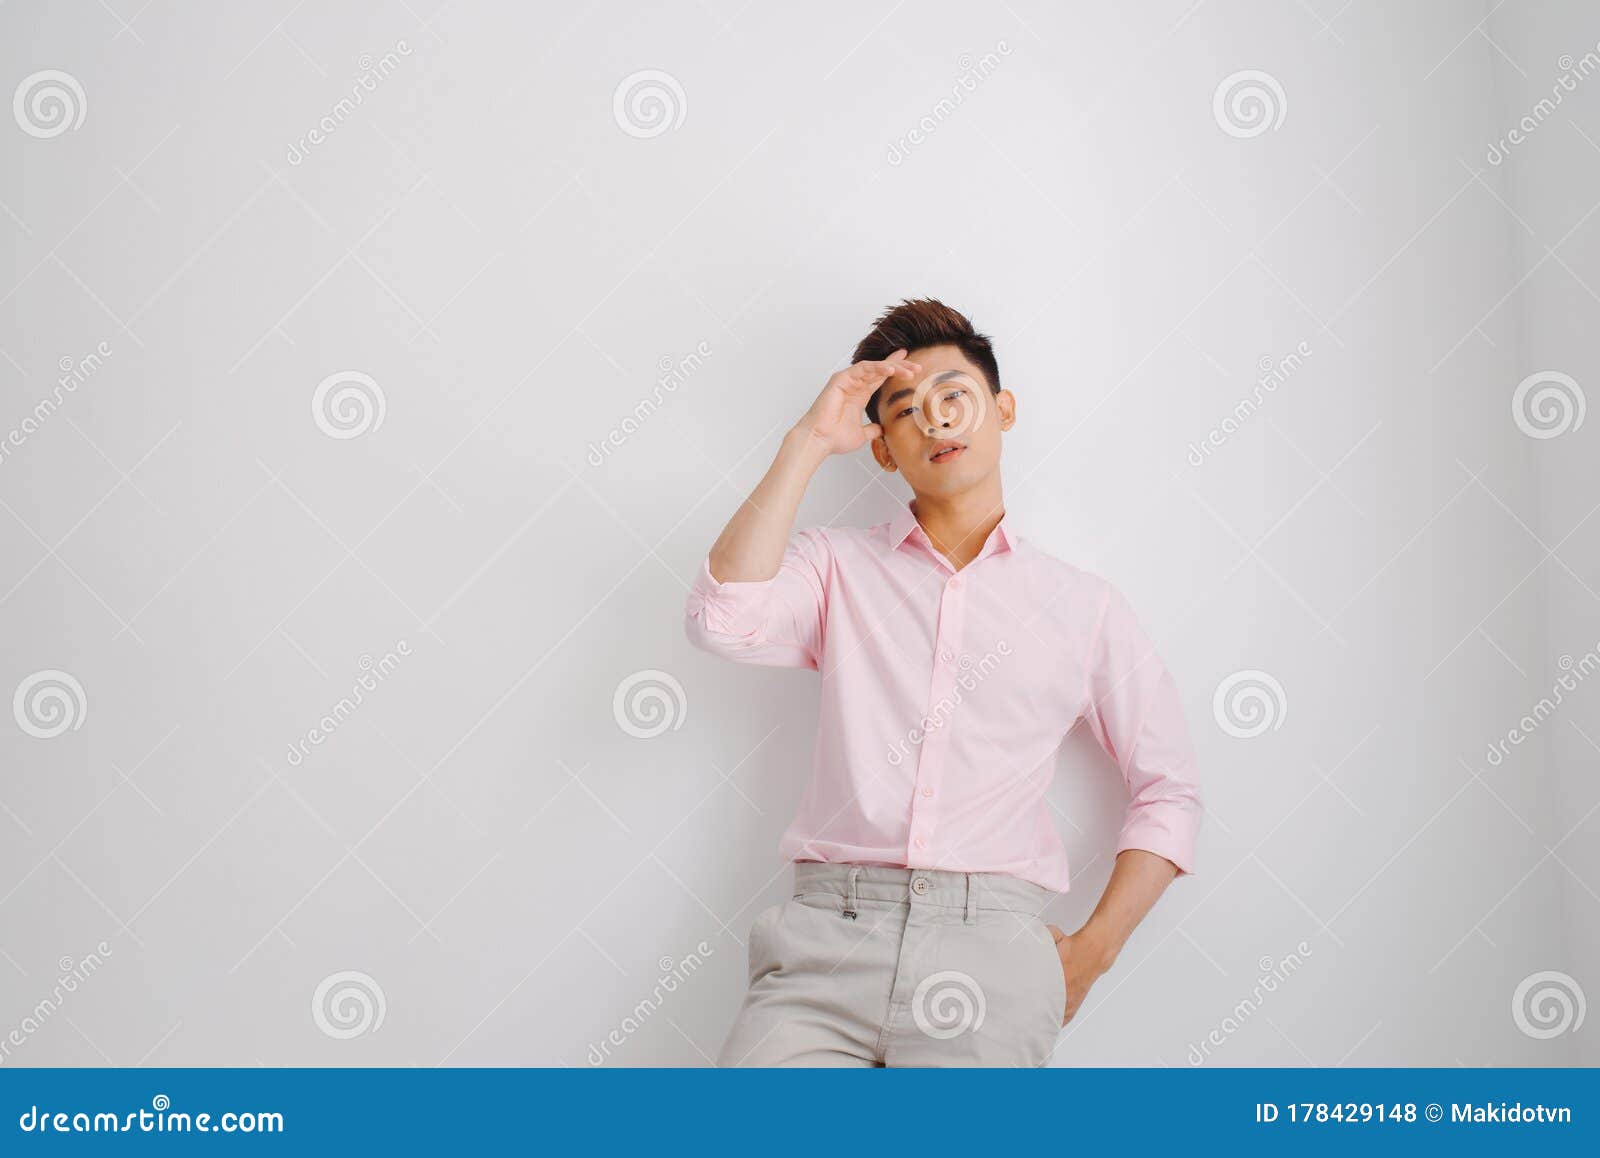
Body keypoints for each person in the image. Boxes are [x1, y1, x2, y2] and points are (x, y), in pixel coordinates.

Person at [684, 299, 1203, 1067]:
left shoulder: (1084, 606)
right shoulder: (836, 567)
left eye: (952, 396)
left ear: (1003, 409)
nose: (934, 421)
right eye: (903, 410)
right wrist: (805, 444)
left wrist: (1095, 951)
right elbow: (721, 620)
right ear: (885, 450)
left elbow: (1171, 791)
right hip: (827, 943)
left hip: (992, 960)